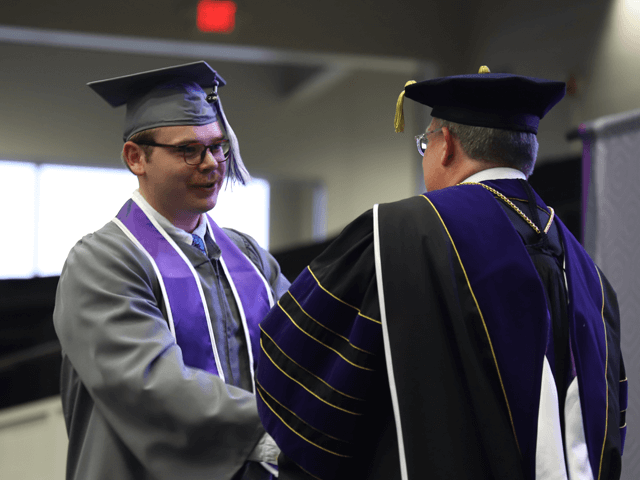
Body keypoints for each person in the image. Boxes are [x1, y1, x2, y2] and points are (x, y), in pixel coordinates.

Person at [255, 67, 627, 480]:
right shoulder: (588, 272)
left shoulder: (397, 234)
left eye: (424, 142)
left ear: (445, 145)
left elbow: (302, 370)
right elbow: (608, 428)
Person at [53, 61, 289, 480]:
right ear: (135, 158)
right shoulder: (103, 261)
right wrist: (279, 433)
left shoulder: (248, 256)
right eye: (188, 149)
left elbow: (304, 349)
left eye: (218, 146)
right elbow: (146, 383)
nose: (212, 163)